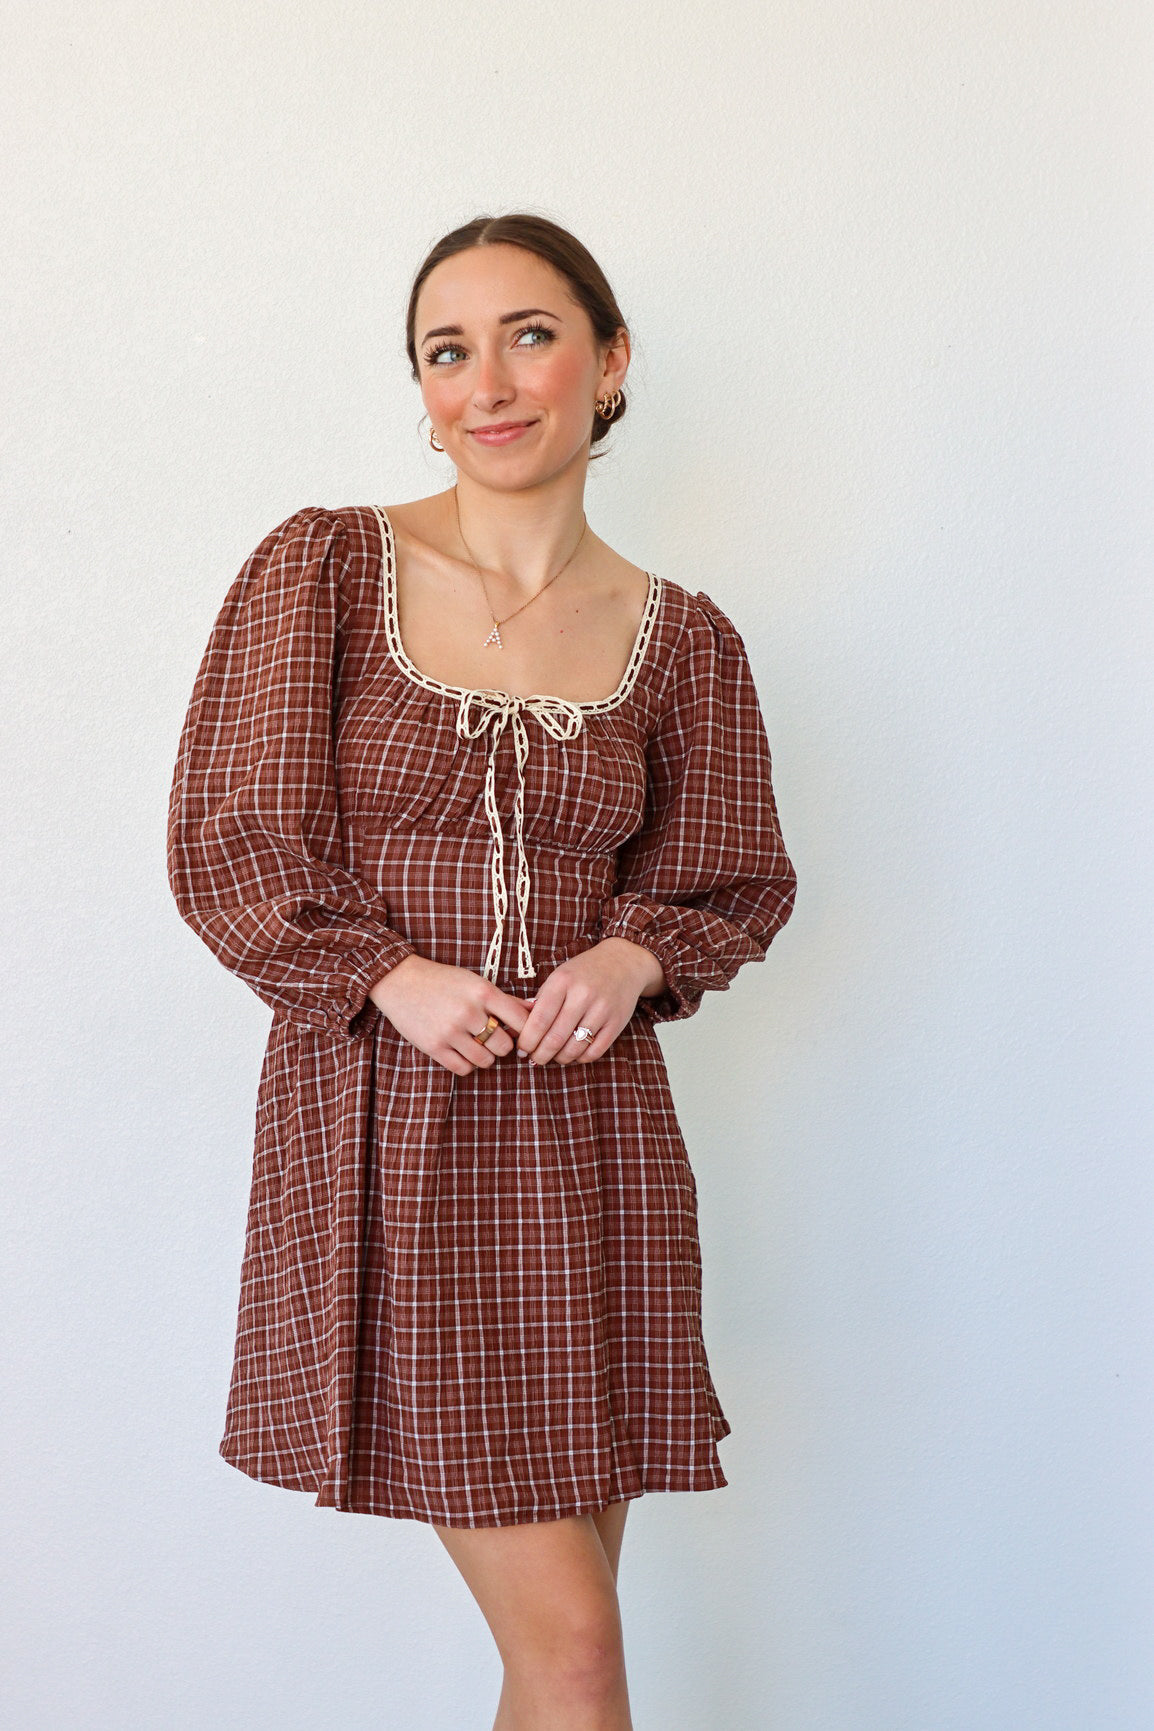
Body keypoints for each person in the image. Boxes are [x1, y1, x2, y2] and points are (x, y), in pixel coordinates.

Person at [167, 211, 797, 1731]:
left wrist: (635, 947)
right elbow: (228, 834)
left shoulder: (683, 641)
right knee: (576, 1654)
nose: (489, 382)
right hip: (393, 1137)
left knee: (562, 1651)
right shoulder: (321, 567)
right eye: (448, 350)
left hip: (594, 1152)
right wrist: (386, 972)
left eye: (528, 335)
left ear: (608, 363)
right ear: (423, 387)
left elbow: (735, 875)